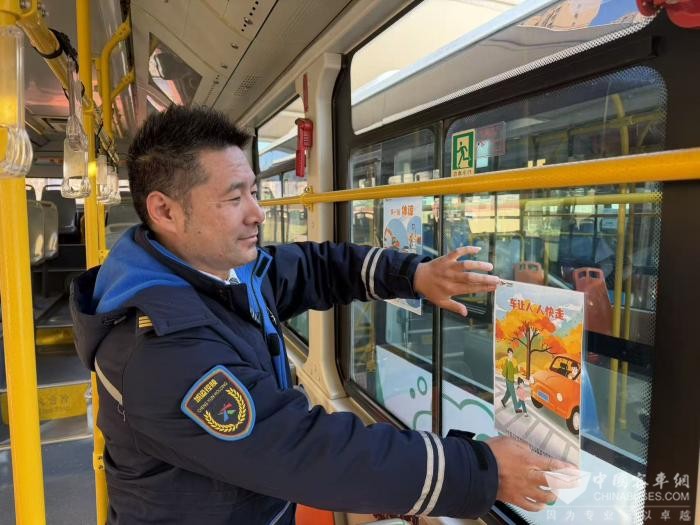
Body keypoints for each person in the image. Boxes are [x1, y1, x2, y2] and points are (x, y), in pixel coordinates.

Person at [70, 106, 570, 524]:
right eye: (233, 198)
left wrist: (414, 275)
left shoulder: (221, 272)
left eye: (253, 191)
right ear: (165, 212)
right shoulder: (159, 351)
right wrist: (477, 471)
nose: (256, 213)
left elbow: (316, 268)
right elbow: (301, 451)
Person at [500, 348, 519, 412]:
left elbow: (515, 371)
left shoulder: (514, 361)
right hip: (508, 379)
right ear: (508, 353)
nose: (511, 354)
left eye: (511, 353)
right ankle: (516, 408)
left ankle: (503, 401)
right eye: (509, 353)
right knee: (513, 394)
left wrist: (516, 366)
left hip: (511, 379)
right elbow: (504, 371)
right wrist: (504, 375)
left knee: (508, 392)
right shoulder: (507, 361)